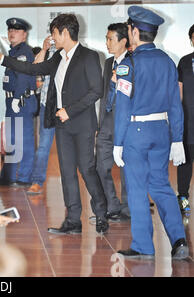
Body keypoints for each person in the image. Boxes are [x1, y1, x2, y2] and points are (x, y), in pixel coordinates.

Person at [0, 14, 109, 234]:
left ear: (65, 32)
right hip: (61, 123)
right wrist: (2, 59)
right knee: (66, 172)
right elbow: (35, 69)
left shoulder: (89, 56)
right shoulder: (58, 57)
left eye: (54, 33)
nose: (52, 38)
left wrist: (70, 110)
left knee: (86, 169)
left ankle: (102, 213)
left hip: (81, 123)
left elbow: (96, 90)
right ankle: (73, 220)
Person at [113, 6, 188, 259]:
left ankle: (144, 246)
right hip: (162, 130)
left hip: (136, 131)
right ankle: (179, 240)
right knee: (161, 186)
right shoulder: (168, 62)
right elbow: (176, 104)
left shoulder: (128, 64)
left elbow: (122, 106)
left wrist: (118, 142)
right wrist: (177, 138)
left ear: (134, 32)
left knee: (136, 187)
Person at [93, 23, 130, 221]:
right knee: (101, 166)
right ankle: (112, 205)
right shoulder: (108, 64)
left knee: (126, 168)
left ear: (123, 41)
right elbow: (105, 95)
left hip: (125, 124)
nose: (107, 43)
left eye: (110, 39)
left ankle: (127, 209)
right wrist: (99, 125)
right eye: (106, 38)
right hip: (107, 122)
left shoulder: (133, 62)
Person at [0, 18, 38, 188]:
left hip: (21, 100)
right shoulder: (13, 52)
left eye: (16, 31)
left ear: (24, 34)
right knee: (13, 140)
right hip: (13, 100)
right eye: (10, 30)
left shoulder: (24, 52)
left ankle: (23, 176)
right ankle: (11, 174)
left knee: (24, 140)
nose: (12, 33)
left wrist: (16, 98)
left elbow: (23, 76)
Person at [26, 38, 56, 195]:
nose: (55, 37)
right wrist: (44, 50)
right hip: (47, 105)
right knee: (44, 146)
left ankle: (70, 184)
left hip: (68, 107)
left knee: (69, 150)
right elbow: (34, 68)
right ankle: (37, 181)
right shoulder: (48, 52)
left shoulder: (73, 54)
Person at [175, 24, 194, 214]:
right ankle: (183, 199)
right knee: (185, 161)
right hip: (188, 120)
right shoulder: (185, 62)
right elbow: (178, 91)